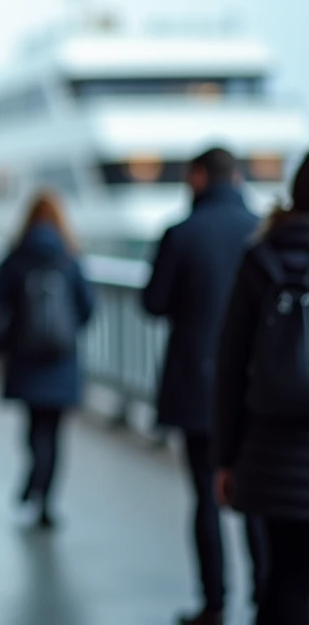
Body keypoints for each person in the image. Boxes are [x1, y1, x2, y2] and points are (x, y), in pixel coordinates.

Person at [143, 146, 268, 625]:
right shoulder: (261, 233)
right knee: (258, 495)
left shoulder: (181, 234)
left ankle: (214, 603)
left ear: (197, 177)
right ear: (235, 177)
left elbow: (154, 303)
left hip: (197, 384)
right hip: (258, 390)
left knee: (204, 497)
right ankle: (264, 595)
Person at [215, 152, 309, 625]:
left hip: (273, 451)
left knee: (286, 577)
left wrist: (226, 458)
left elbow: (231, 365)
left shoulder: (262, 257)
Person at [0, 191, 94, 529]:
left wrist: (1, 344)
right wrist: (66, 332)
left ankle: (34, 478)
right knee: (55, 432)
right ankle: (47, 501)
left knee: (33, 429)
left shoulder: (16, 257)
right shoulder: (70, 257)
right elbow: (87, 307)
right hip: (61, 358)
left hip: (24, 357)